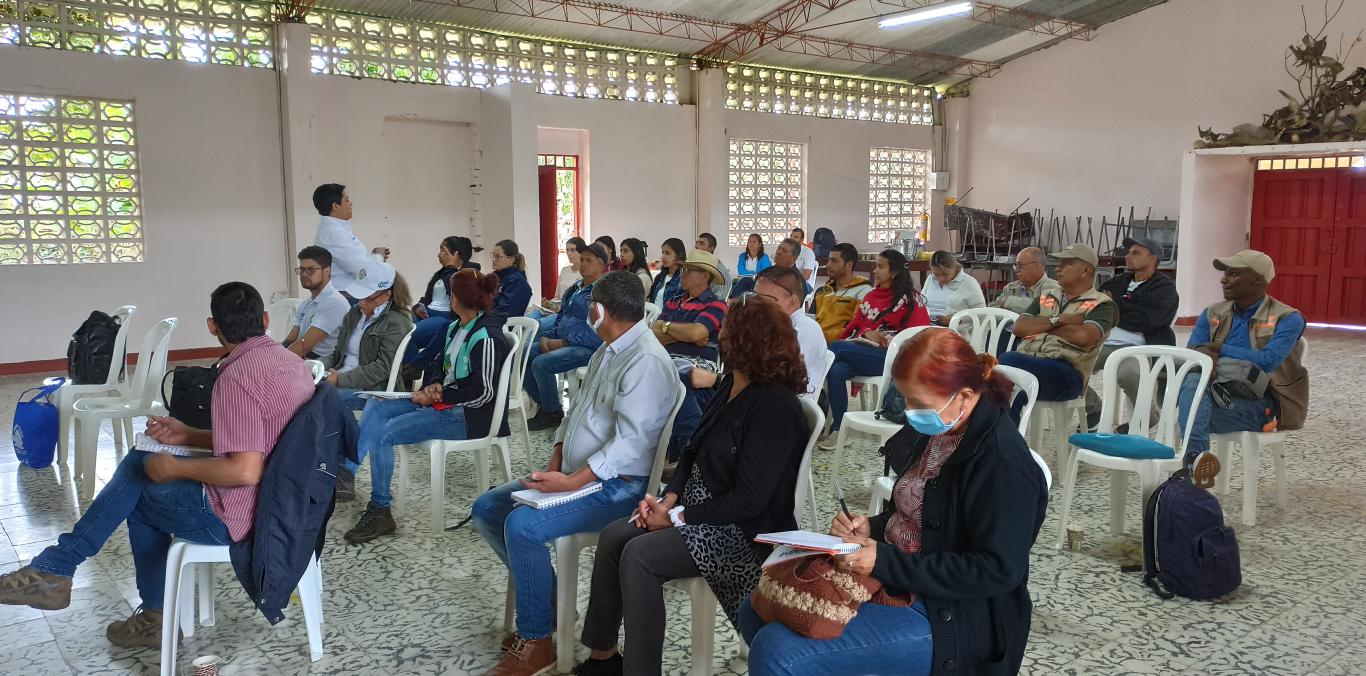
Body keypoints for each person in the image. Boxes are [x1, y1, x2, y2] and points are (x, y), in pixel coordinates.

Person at [0, 283, 315, 647]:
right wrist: (189, 436)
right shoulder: (291, 364)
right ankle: (62, 570)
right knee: (142, 465)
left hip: (245, 516)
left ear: (213, 326)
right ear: (265, 320)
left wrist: (176, 468)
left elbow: (244, 471)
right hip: (288, 505)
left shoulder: (236, 377)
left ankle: (127, 603)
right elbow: (265, 437)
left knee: (140, 491)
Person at [740, 329, 1048, 676]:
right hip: (903, 578)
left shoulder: (1001, 465)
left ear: (963, 396)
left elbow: (996, 571)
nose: (911, 413)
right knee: (754, 609)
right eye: (906, 400)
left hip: (953, 613)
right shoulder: (942, 430)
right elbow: (921, 512)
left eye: (918, 402)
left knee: (778, 653)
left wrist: (882, 560)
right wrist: (869, 525)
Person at [575, 295, 810, 676]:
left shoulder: (775, 406)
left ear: (745, 342)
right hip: (704, 508)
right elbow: (691, 454)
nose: (721, 338)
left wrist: (677, 518)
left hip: (742, 531)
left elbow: (749, 501)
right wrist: (668, 500)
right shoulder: (734, 384)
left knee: (640, 556)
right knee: (616, 536)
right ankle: (603, 657)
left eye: (728, 332)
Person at [474, 271, 675, 676]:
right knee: (489, 508)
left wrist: (571, 482)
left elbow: (630, 445)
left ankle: (538, 642)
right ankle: (546, 604)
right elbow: (576, 412)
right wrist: (556, 460)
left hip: (618, 486)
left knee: (524, 526)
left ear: (601, 310)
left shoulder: (646, 361)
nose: (587, 310)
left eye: (591, 304)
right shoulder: (608, 349)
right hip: (576, 473)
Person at [344, 270, 512, 543]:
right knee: (378, 404)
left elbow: (485, 393)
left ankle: (380, 509)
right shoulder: (456, 328)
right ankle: (348, 470)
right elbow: (438, 365)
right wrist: (433, 385)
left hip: (470, 416)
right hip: (447, 404)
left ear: (456, 298)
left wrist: (440, 395)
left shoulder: (487, 337)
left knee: (385, 435)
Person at [1177, 250, 1307, 486]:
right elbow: (1194, 353)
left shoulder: (1288, 318)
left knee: (1190, 411)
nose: (1223, 279)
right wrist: (1207, 352)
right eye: (1225, 274)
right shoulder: (1212, 313)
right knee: (1194, 387)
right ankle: (1196, 461)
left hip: (1262, 403)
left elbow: (1268, 360)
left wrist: (1217, 347)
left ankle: (1191, 465)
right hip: (1215, 393)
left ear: (1257, 279)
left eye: (1233, 274)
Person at [819, 249, 931, 449]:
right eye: (875, 265)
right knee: (837, 370)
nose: (875, 270)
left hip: (895, 359)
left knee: (837, 348)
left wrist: (889, 339)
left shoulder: (911, 300)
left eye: (880, 266)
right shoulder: (871, 296)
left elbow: (919, 337)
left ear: (894, 272)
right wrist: (867, 333)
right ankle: (839, 430)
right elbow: (856, 324)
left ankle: (812, 389)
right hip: (867, 353)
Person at [323, 261, 415, 499]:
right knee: (309, 395)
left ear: (386, 295)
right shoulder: (355, 314)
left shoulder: (397, 322)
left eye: (367, 299)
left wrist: (340, 380)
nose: (360, 303)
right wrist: (313, 368)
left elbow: (382, 368)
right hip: (342, 378)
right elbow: (337, 354)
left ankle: (343, 471)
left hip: (375, 387)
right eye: (359, 298)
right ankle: (326, 467)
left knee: (327, 397)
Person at [999, 244, 1117, 410]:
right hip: (1032, 362)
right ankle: (1004, 436)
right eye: (1058, 263)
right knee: (1001, 388)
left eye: (1066, 263)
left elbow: (1084, 337)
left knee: (1007, 362)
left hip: (1068, 374)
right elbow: (1020, 327)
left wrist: (1040, 324)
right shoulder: (1047, 296)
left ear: (1085, 271)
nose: (1058, 268)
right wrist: (1059, 319)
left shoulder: (1102, 304)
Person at [1084, 237, 1179, 428]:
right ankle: (1094, 408)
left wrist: (1112, 305)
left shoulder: (1165, 289)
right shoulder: (1117, 281)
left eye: (1136, 253)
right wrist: (1124, 306)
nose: (1128, 256)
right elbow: (1091, 306)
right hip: (1102, 342)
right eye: (1128, 252)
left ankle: (1147, 416)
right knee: (1068, 364)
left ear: (1153, 259)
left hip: (1138, 347)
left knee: (1128, 374)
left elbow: (1146, 320)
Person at [523, 243, 609, 431]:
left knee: (541, 363)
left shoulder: (603, 292)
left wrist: (562, 342)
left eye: (589, 261)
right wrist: (547, 337)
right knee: (522, 354)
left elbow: (598, 331)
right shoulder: (575, 288)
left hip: (590, 347)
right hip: (563, 341)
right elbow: (561, 317)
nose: (583, 264)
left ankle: (551, 411)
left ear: (602, 265)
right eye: (582, 259)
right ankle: (548, 406)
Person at [653, 250, 729, 462]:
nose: (682, 274)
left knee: (676, 385)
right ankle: (688, 455)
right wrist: (684, 334)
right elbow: (653, 330)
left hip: (700, 367)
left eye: (688, 270)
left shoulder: (716, 304)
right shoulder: (674, 301)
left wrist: (668, 330)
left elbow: (698, 333)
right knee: (671, 382)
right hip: (669, 364)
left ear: (705, 276)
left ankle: (684, 455)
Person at [404, 236, 478, 366]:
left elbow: (460, 299)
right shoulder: (440, 274)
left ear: (456, 254)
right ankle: (406, 371)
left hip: (446, 317)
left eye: (443, 251)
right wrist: (417, 308)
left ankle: (412, 368)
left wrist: (451, 268)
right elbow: (426, 298)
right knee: (396, 329)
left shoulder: (465, 274)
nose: (439, 254)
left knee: (407, 335)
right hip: (427, 313)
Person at [312, 183, 389, 295]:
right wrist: (378, 257)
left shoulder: (335, 228)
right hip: (347, 294)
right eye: (347, 200)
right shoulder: (333, 232)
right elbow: (359, 269)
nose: (351, 204)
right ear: (335, 206)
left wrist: (371, 257)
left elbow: (355, 261)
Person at [282, 245, 350, 360]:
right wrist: (273, 352)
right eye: (302, 269)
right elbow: (290, 340)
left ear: (327, 271)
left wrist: (274, 360)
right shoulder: (306, 304)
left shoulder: (333, 302)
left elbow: (304, 346)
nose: (304, 274)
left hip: (325, 368)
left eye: (310, 270)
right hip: (304, 362)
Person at [812, 242, 873, 343]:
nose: (828, 265)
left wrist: (823, 337)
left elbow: (857, 328)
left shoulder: (863, 291)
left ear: (849, 265)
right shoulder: (822, 291)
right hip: (817, 341)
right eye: (829, 260)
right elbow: (811, 319)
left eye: (834, 261)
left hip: (839, 345)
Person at [924, 250, 986, 326]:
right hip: (929, 325)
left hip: (957, 329)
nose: (941, 279)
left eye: (945, 274)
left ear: (954, 267)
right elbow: (922, 302)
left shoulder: (969, 283)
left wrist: (959, 319)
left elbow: (983, 314)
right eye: (936, 274)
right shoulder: (931, 279)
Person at [992, 246, 1060, 314]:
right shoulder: (1010, 287)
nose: (1016, 270)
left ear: (1037, 266)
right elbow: (992, 309)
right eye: (1016, 266)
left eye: (1020, 265)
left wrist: (1008, 301)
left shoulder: (1053, 288)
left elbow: (1043, 309)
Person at [532, 236, 587, 321]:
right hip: (557, 308)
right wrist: (549, 304)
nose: (569, 253)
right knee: (532, 315)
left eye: (572, 250)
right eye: (567, 250)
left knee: (540, 323)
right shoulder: (565, 270)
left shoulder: (585, 273)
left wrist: (559, 308)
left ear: (581, 252)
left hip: (568, 312)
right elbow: (557, 297)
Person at [491, 239, 533, 318]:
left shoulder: (517, 281)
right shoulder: (495, 276)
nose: (493, 259)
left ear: (511, 259)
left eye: (497, 256)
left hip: (504, 326)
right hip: (489, 320)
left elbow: (504, 312)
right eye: (493, 255)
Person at [646, 238, 686, 308]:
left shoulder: (683, 279)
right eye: (662, 252)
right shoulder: (660, 277)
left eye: (667, 253)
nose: (663, 256)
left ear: (679, 255)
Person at [695, 232, 732, 297]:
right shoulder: (703, 266)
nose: (696, 246)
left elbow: (719, 299)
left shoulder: (719, 271)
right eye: (696, 243)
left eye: (701, 243)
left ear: (711, 249)